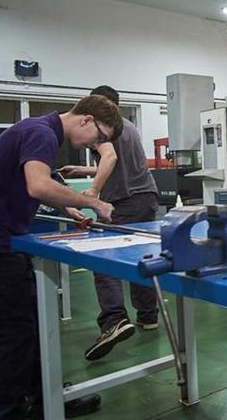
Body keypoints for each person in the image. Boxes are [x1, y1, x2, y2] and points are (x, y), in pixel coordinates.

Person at [0, 95, 122, 419]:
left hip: (4, 244)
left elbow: (32, 182)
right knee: (14, 336)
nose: (96, 146)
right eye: (99, 138)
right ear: (85, 120)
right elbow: (37, 185)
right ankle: (13, 411)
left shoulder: (40, 130)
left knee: (32, 325)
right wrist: (95, 203)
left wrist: (69, 207)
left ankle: (44, 395)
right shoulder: (42, 134)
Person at [59, 86, 161, 361]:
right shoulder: (129, 127)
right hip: (146, 196)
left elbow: (111, 157)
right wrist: (85, 169)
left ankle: (114, 319)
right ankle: (147, 315)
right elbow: (119, 163)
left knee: (104, 257)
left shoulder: (105, 128)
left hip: (124, 200)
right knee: (141, 256)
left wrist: (92, 192)